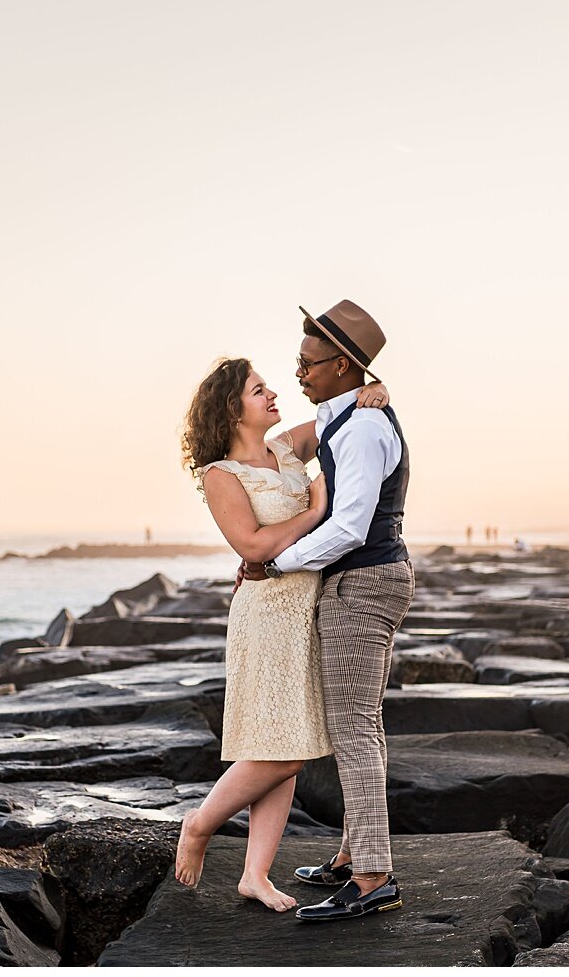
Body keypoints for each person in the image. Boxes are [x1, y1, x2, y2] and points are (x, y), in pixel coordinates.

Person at [174, 355, 391, 912]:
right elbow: (251, 546)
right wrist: (316, 510)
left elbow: (341, 412)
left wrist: (378, 387)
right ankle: (200, 824)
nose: (273, 395)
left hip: (308, 607)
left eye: (269, 387)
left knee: (285, 740)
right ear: (231, 408)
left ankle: (255, 874)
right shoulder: (220, 474)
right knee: (284, 749)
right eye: (258, 390)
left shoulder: (288, 447)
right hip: (267, 613)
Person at [241, 300, 414, 924]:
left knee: (354, 728)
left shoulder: (364, 427)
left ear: (342, 364)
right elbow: (269, 449)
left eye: (308, 363)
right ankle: (352, 854)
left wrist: (277, 564)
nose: (299, 373)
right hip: (364, 580)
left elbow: (349, 525)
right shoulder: (345, 415)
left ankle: (372, 878)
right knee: (357, 722)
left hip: (363, 581)